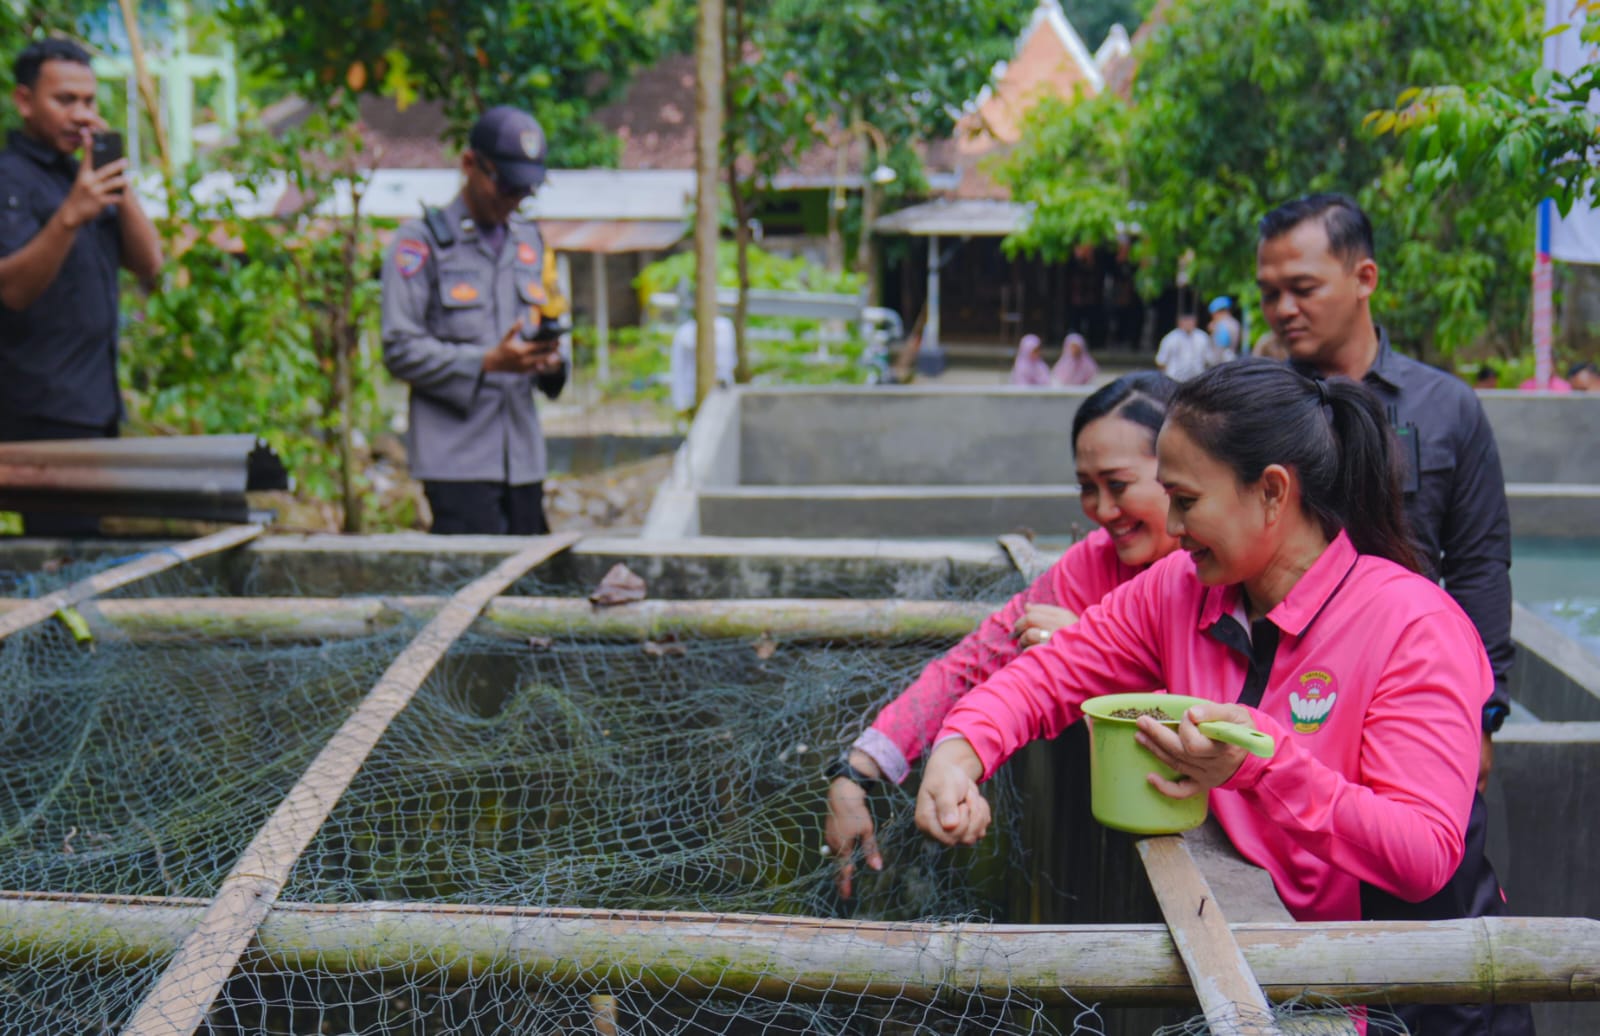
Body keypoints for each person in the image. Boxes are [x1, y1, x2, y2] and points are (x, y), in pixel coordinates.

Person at [916, 361, 1533, 1036]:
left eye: (1186, 500)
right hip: (1277, 975)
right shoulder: (1179, 589)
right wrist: (960, 752)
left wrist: (1260, 766)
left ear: (1272, 491)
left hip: (1418, 997)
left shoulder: (1413, 625)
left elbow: (1422, 856)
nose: (1173, 525)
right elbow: (1052, 672)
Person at [825, 373, 1181, 897]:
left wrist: (1085, 648)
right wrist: (856, 772)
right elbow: (974, 665)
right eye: (1087, 488)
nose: (1103, 510)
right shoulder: (1092, 564)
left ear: (1178, 468)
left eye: (1119, 484)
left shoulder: (1215, 578)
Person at [1255, 194, 1513, 775]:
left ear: (1364, 278)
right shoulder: (1256, 415)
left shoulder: (1447, 408)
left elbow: (1479, 566)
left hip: (1415, 686)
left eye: (1303, 288)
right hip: (1285, 700)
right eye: (1270, 293)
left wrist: (1482, 715)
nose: (1283, 309)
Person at [0, 38, 163, 536]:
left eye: (89, 101)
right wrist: (70, 216)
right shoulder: (10, 179)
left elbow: (150, 264)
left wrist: (117, 183)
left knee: (84, 551)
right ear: (25, 101)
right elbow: (12, 290)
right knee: (62, 556)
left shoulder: (84, 176)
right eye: (64, 100)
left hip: (94, 404)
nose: (81, 114)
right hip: (39, 409)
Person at [382, 105, 569, 535]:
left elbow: (551, 316)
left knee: (532, 573)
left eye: (525, 190)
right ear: (470, 164)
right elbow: (399, 347)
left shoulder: (530, 242)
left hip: (523, 459)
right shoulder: (422, 244)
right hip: (457, 462)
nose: (514, 199)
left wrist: (549, 361)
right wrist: (486, 362)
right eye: (506, 185)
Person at [668, 314, 737, 412]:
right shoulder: (685, 332)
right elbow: (678, 367)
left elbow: (730, 360)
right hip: (693, 391)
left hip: (723, 389)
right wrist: (680, 402)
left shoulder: (725, 327)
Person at [1154, 312, 1210, 382]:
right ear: (1180, 323)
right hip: (1174, 379)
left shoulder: (1202, 337)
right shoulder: (1170, 338)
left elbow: (1209, 359)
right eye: (1186, 321)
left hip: (1197, 379)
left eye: (1190, 322)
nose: (1188, 324)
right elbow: (1161, 361)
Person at [1206, 296, 1241, 365]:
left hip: (1222, 363)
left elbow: (1221, 345)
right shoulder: (1235, 323)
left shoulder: (1221, 325)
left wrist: (1214, 331)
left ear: (1218, 312)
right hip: (1231, 359)